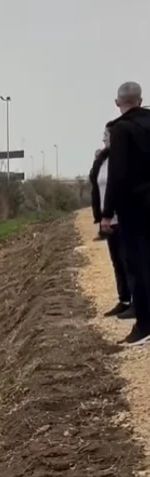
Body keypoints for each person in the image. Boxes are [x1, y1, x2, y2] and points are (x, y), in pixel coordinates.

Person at [102, 81, 150, 345]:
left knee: (139, 265)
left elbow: (117, 175)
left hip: (134, 209)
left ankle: (144, 326)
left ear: (118, 102)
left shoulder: (121, 130)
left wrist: (107, 214)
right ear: (141, 100)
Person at [93, 132, 136, 319]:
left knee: (129, 262)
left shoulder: (123, 159)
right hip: (108, 219)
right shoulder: (103, 160)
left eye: (107, 137)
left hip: (123, 218)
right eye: (104, 137)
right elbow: (96, 185)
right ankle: (124, 299)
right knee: (117, 262)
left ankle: (137, 302)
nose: (104, 140)